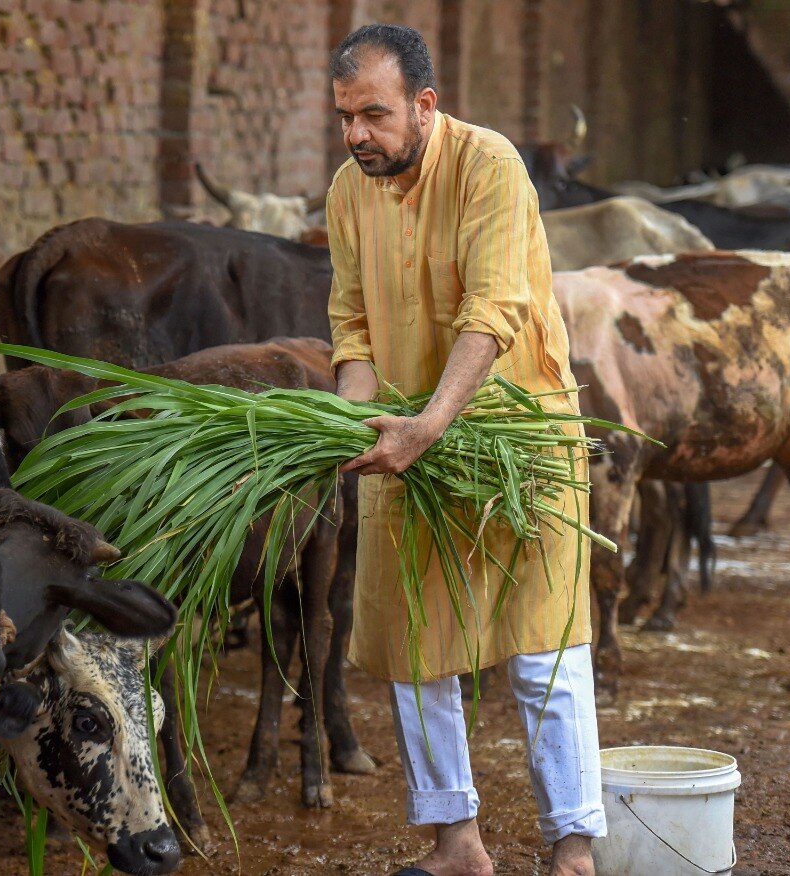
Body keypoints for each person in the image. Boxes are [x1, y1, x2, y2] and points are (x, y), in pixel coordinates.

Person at [325, 24, 606, 876]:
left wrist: (429, 424)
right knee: (415, 643)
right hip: (407, 438)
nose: (356, 135)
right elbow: (353, 326)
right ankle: (457, 844)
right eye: (344, 116)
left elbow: (494, 310)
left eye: (373, 114)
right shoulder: (347, 191)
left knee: (543, 644)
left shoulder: (491, 167)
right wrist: (350, 424)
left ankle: (573, 848)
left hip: (515, 432)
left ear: (424, 105)